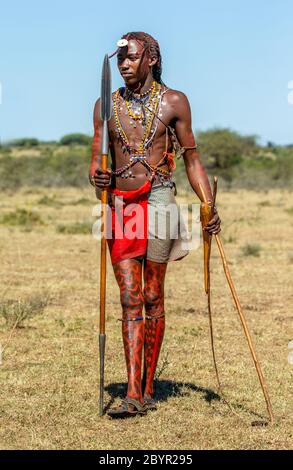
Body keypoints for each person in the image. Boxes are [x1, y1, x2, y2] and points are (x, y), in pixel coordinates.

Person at [89, 31, 221, 418]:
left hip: (160, 200)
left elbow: (192, 159)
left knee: (151, 296)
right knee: (129, 298)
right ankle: (132, 392)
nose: (124, 64)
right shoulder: (106, 106)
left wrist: (208, 205)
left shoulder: (174, 102)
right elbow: (96, 160)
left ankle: (147, 388)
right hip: (120, 205)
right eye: (120, 60)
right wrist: (97, 175)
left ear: (150, 58)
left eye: (131, 58)